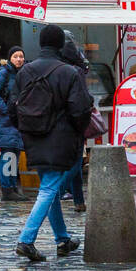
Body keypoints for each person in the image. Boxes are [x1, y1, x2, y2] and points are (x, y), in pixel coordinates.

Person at [11, 24, 94, 261]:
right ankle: (26, 240)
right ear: (61, 45)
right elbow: (80, 111)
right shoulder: (69, 72)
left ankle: (63, 240)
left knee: (51, 188)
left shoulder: (24, 72)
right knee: (49, 189)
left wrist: (26, 129)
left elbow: (12, 106)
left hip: (33, 137)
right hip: (61, 138)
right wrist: (77, 133)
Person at [0, 46, 27, 200]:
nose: (19, 59)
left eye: (21, 56)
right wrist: (6, 110)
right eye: (16, 56)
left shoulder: (21, 73)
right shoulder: (4, 73)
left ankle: (13, 187)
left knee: (14, 153)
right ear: (10, 58)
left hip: (16, 120)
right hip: (7, 120)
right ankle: (7, 190)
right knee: (8, 154)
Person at [59, 33, 90, 211]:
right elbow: (82, 98)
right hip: (76, 121)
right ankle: (58, 192)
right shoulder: (77, 66)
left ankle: (78, 200)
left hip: (63, 120)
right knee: (76, 162)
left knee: (75, 162)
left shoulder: (60, 65)